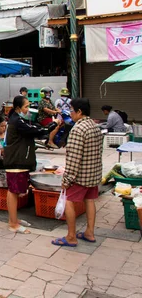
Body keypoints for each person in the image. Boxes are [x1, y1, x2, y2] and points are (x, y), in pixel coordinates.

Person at [51, 98, 104, 247]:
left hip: (79, 177)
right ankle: (89, 232)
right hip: (93, 174)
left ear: (80, 112)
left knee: (69, 201)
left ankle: (71, 236)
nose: (71, 114)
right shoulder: (95, 126)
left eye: (72, 110)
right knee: (90, 201)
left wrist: (66, 181)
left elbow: (74, 160)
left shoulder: (77, 130)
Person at [4, 95, 47, 234]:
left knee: (15, 191)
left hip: (19, 160)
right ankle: (12, 223)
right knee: (13, 191)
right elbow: (34, 131)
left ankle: (14, 219)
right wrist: (50, 127)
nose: (28, 109)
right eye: (26, 107)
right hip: (16, 161)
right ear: (18, 108)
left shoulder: (19, 119)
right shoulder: (17, 121)